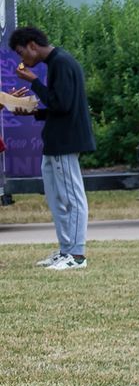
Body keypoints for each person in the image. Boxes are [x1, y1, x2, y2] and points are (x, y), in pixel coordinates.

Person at [8, 26, 94, 270]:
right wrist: (33, 111)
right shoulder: (57, 62)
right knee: (57, 198)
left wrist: (34, 82)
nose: (22, 59)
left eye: (21, 52)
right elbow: (59, 105)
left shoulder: (61, 62)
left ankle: (77, 255)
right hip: (56, 141)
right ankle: (66, 250)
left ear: (32, 45)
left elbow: (61, 104)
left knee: (72, 197)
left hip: (65, 141)